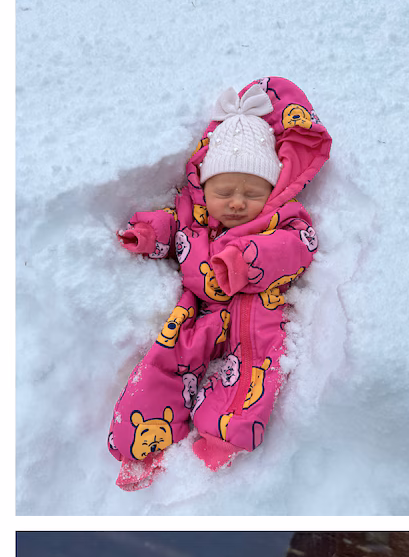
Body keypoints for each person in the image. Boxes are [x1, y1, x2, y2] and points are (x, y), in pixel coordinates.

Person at [108, 78, 331, 490]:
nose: (237, 202)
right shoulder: (192, 219)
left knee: (252, 371)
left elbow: (298, 248)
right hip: (198, 310)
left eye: (252, 192)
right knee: (166, 360)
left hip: (253, 311)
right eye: (225, 191)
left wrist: (245, 261)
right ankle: (140, 446)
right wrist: (147, 234)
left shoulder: (284, 219)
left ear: (273, 190)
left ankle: (222, 439)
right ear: (204, 187)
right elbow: (171, 228)